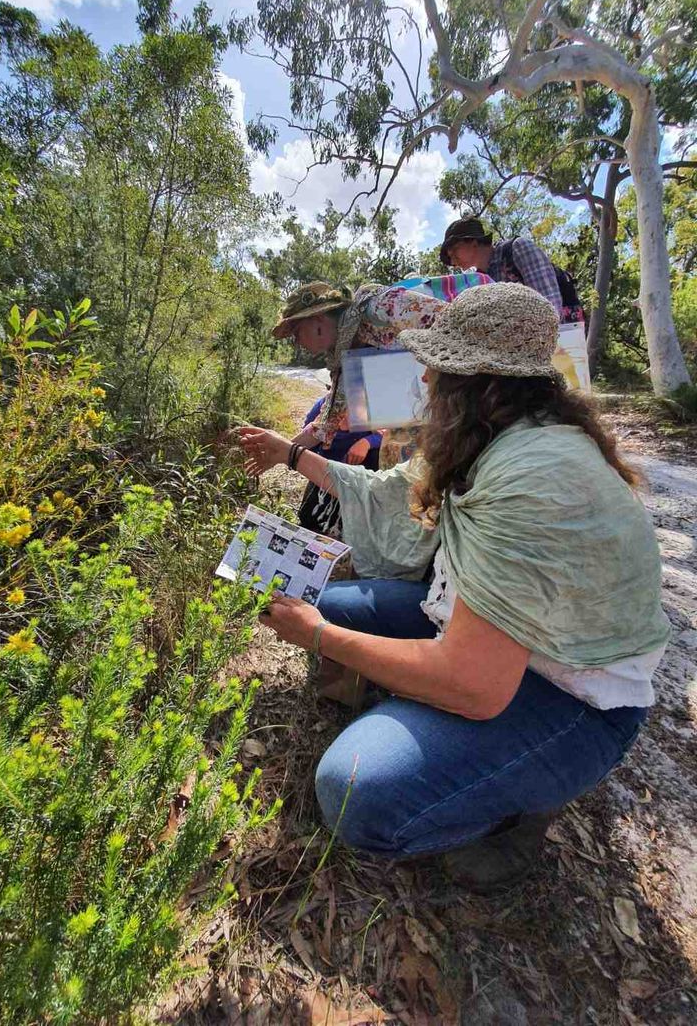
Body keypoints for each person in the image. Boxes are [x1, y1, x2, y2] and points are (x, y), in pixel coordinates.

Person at [237, 282, 668, 893]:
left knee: (353, 792)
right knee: (329, 601)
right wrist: (290, 455)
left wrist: (321, 638)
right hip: (495, 641)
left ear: (472, 382)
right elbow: (385, 491)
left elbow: (474, 685)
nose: (426, 382)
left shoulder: (528, 478)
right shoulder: (500, 437)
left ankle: (516, 806)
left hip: (572, 696)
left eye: (436, 368)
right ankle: (432, 728)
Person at [271, 276, 489, 454]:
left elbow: (455, 324)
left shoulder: (380, 306)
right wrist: (280, 451)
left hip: (478, 395)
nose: (297, 343)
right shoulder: (345, 364)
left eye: (296, 334)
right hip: (438, 420)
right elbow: (325, 425)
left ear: (317, 321)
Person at [440, 216, 567, 318]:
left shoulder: (518, 248)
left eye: (454, 250)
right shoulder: (479, 282)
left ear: (473, 241)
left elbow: (550, 306)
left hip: (562, 337)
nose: (453, 260)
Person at [296, 394, 381, 536]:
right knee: (308, 522)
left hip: (356, 479)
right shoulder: (324, 405)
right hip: (325, 474)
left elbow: (390, 435)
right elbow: (305, 446)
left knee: (376, 454)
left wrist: (366, 442)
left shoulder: (374, 408)